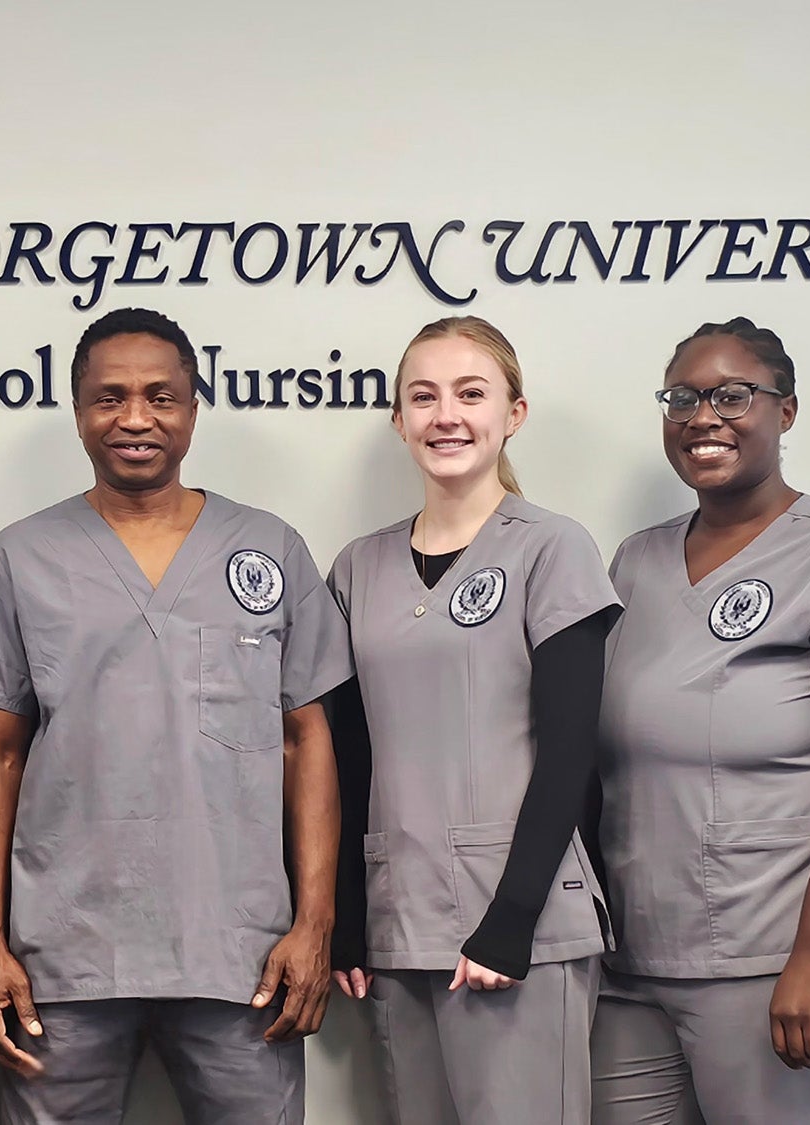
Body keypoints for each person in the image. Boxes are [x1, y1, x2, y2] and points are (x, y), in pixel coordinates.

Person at [0, 308, 353, 1125]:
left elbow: (307, 740)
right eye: (111, 397)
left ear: (194, 410)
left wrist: (315, 923)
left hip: (242, 958)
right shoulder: (16, 558)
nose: (136, 418)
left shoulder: (270, 548)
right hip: (61, 960)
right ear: (78, 410)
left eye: (161, 396)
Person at [590, 317, 810, 1125]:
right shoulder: (633, 563)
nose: (703, 416)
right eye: (682, 397)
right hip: (641, 955)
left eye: (732, 395)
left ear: (784, 413)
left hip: (791, 952)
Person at [325, 316, 618, 1124]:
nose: (445, 415)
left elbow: (570, 751)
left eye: (470, 393)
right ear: (398, 420)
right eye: (423, 396)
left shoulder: (553, 549)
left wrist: (513, 919)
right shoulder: (358, 565)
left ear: (513, 414)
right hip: (401, 919)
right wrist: (348, 918)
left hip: (519, 923)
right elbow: (350, 755)